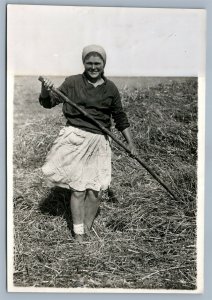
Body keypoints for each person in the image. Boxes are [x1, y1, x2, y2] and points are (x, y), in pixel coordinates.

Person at [39, 44, 137, 242]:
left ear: (104, 64)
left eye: (97, 63)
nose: (93, 67)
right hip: (75, 139)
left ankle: (88, 228)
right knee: (78, 189)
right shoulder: (72, 82)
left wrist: (130, 143)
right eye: (89, 63)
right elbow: (48, 102)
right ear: (84, 63)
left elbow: (120, 117)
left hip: (99, 140)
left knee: (96, 191)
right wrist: (45, 88)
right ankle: (79, 234)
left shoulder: (110, 89)